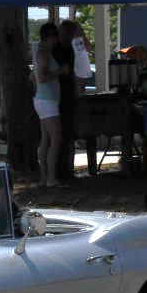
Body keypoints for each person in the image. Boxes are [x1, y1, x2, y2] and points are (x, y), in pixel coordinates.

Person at [52, 20, 89, 181]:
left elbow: (85, 53)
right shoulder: (57, 49)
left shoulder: (70, 48)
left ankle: (67, 170)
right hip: (59, 97)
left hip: (68, 96)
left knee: (67, 135)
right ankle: (61, 172)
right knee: (61, 136)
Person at [34, 23, 65, 188]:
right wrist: (61, 71)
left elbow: (33, 78)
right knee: (56, 139)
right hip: (47, 101)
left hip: (44, 100)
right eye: (55, 37)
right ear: (49, 37)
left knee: (45, 139)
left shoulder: (42, 52)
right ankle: (51, 178)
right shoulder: (44, 53)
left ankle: (44, 178)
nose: (57, 40)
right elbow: (42, 77)